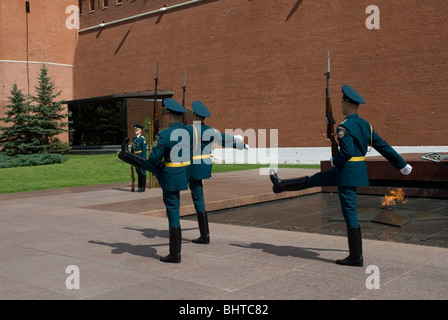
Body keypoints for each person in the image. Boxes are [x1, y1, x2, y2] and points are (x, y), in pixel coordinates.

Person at [269, 84, 413, 267]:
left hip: (346, 173)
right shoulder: (365, 125)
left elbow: (346, 153)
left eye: (342, 103)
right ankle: (280, 186)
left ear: (348, 104)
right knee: (315, 179)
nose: (341, 106)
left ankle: (356, 257)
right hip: (352, 170)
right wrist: (401, 164)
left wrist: (334, 161)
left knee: (349, 212)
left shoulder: (345, 127)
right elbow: (382, 146)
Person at [118, 98, 192, 263]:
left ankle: (175, 254)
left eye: (166, 115)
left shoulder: (164, 135)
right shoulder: (189, 132)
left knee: (172, 211)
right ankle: (125, 155)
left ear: (170, 117)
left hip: (169, 176)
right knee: (174, 209)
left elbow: (153, 159)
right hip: (183, 173)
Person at [189, 100, 248, 244]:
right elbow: (222, 140)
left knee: (192, 197)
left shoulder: (190, 130)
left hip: (191, 166)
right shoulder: (211, 131)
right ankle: (205, 235)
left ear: (195, 115)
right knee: (198, 196)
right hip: (204, 165)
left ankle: (204, 236)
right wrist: (239, 145)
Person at [131, 123, 147, 192]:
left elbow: (144, 151)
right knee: (138, 172)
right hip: (135, 158)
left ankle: (143, 187)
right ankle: (139, 186)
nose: (135, 131)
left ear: (140, 130)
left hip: (140, 158)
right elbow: (132, 150)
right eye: (135, 130)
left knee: (142, 172)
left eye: (137, 130)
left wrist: (143, 160)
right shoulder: (134, 139)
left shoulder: (142, 139)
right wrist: (131, 159)